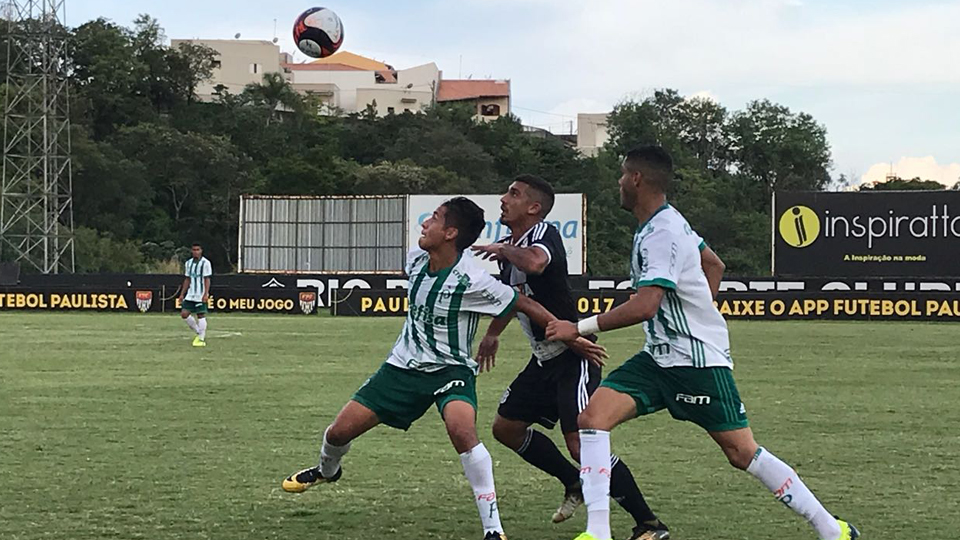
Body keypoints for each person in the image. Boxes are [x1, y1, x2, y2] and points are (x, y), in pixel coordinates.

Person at [546, 146, 859, 540]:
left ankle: (832, 530)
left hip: (696, 364)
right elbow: (714, 264)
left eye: (623, 174)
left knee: (742, 453)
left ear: (638, 179)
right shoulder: (666, 222)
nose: (619, 182)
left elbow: (645, 305)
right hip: (659, 360)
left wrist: (579, 327)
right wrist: (702, 309)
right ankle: (598, 533)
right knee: (591, 419)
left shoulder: (662, 233)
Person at [281, 197, 606, 540]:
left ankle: (493, 530)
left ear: (450, 233)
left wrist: (572, 336)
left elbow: (523, 302)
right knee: (337, 433)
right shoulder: (416, 260)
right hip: (401, 369)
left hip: (451, 372)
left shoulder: (471, 280)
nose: (424, 224)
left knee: (463, 432)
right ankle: (326, 471)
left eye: (433, 219)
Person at [472, 175, 669, 540]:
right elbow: (516, 296)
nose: (503, 199)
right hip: (544, 358)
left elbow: (535, 265)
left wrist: (502, 251)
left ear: (534, 208)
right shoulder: (510, 246)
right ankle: (573, 482)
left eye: (512, 194)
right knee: (506, 428)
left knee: (581, 442)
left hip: (573, 356)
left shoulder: (541, 235)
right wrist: (493, 333)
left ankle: (649, 523)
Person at [178, 243, 212, 347]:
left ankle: (201, 339)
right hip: (191, 294)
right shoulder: (188, 263)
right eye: (194, 250)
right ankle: (198, 331)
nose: (196, 252)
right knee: (184, 314)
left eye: (198, 250)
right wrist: (182, 294)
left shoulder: (205, 263)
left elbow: (207, 279)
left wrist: (206, 294)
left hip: (200, 294)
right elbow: (187, 279)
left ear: (201, 251)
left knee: (200, 314)